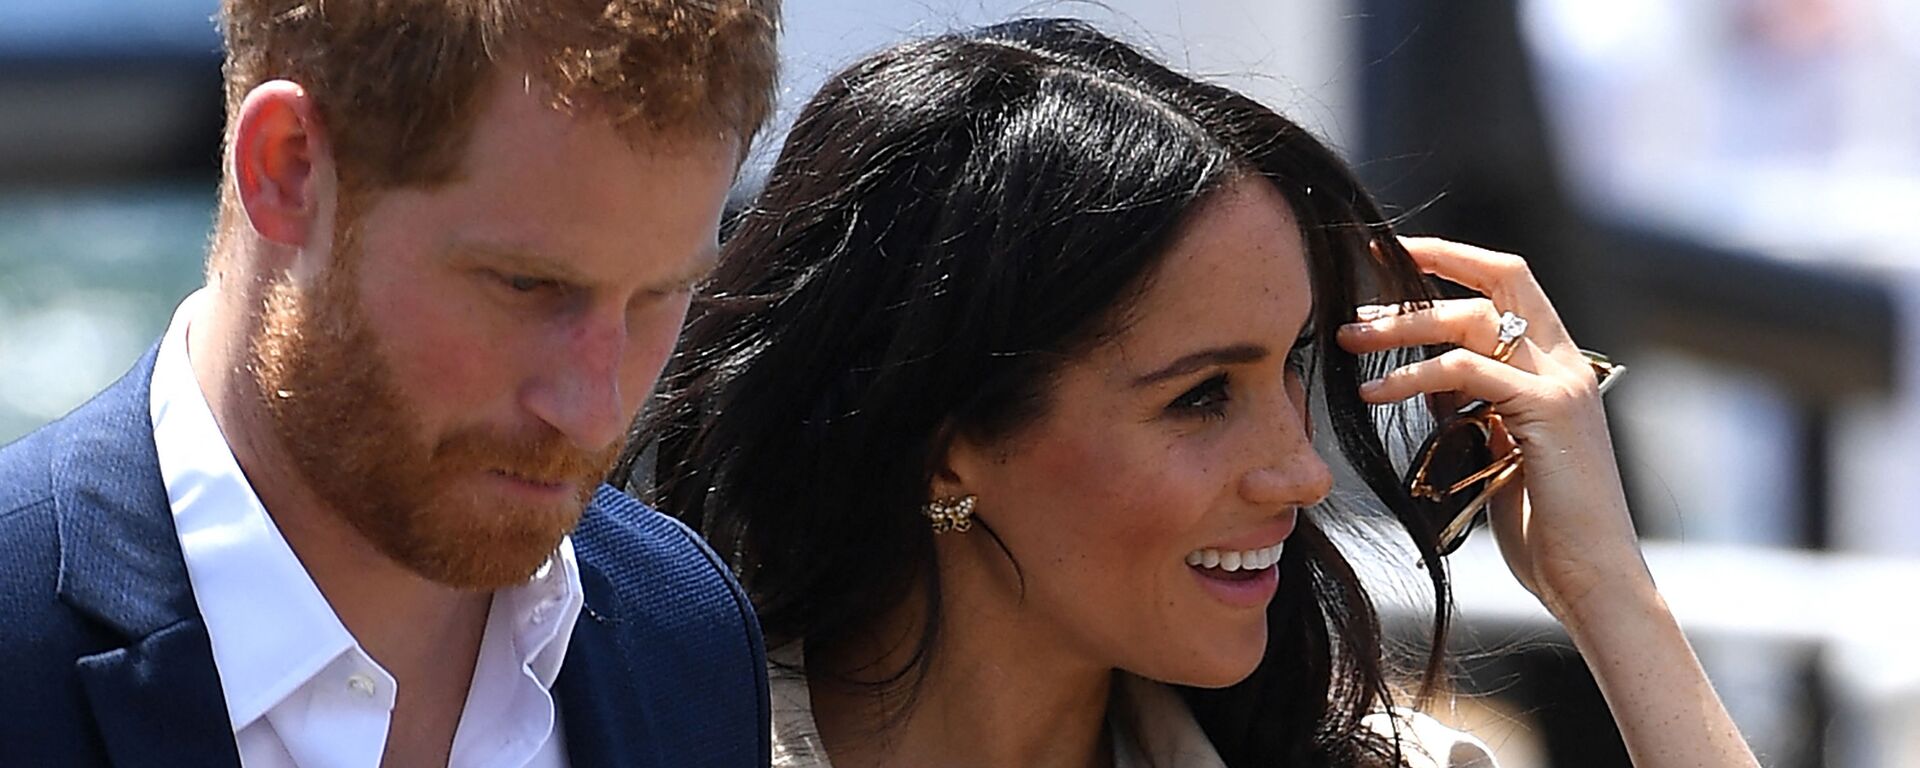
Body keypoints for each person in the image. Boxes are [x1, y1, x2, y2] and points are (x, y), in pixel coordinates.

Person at [627, 18, 1762, 768]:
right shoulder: (627, 730)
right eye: (1202, 397)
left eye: (1297, 369)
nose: (1305, 469)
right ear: (946, 440)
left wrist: (1608, 590)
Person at [0, 1, 778, 766]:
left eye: (659, 295)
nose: (592, 411)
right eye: (525, 285)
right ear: (287, 168)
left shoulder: (691, 645)